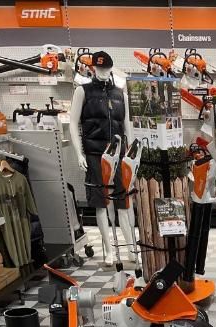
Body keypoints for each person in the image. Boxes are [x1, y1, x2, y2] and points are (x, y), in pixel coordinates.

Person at [69, 51, 136, 266]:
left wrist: (131, 155)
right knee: (101, 204)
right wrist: (79, 153)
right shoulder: (83, 91)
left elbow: (127, 126)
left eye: (106, 69)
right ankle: (109, 250)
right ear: (92, 69)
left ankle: (131, 248)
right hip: (96, 155)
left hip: (119, 155)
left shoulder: (120, 95)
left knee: (124, 203)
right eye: (99, 69)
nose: (103, 73)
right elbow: (72, 123)